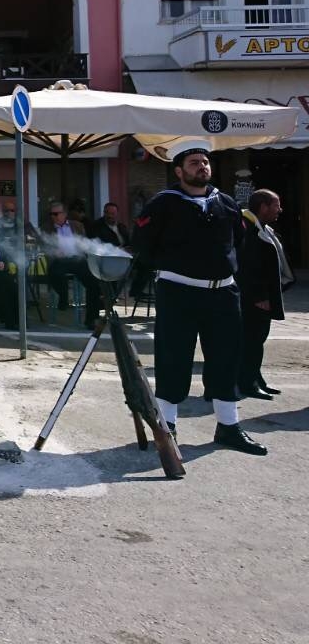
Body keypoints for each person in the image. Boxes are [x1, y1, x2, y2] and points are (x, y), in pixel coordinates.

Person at [134, 142, 265, 455]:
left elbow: (239, 243)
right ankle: (167, 428)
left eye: (205, 162)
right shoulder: (163, 203)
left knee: (226, 358)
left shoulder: (226, 202)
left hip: (223, 293)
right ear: (179, 171)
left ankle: (228, 427)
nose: (202, 167)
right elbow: (142, 243)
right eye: (194, 163)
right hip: (178, 292)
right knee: (173, 357)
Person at [237, 188, 294, 400]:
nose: (280, 210)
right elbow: (247, 267)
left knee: (256, 341)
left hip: (261, 297)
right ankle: (248, 384)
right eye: (276, 205)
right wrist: (259, 296)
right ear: (263, 207)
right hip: (254, 299)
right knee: (252, 341)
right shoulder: (247, 229)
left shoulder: (262, 228)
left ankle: (255, 378)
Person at [40, 200, 100, 330]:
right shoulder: (46, 228)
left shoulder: (77, 225)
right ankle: (63, 296)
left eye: (56, 214)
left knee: (94, 283)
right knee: (55, 273)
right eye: (52, 214)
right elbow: (43, 246)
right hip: (59, 261)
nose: (54, 217)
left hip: (78, 260)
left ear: (64, 214)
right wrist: (53, 252)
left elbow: (84, 242)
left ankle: (91, 319)